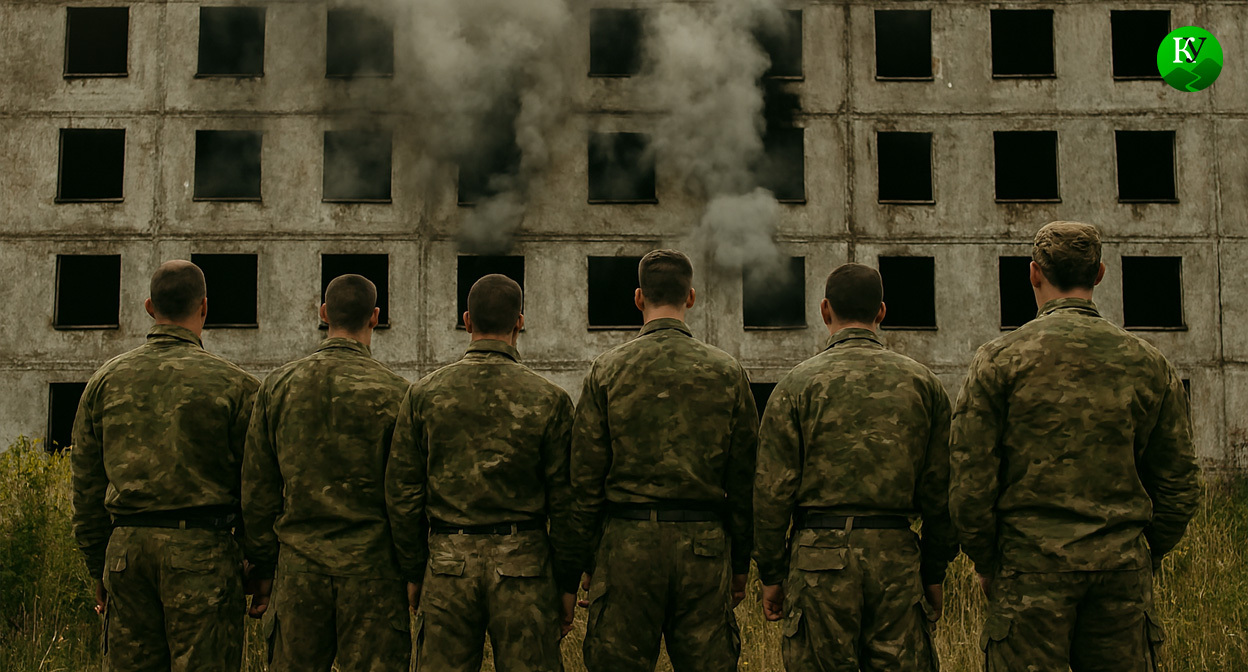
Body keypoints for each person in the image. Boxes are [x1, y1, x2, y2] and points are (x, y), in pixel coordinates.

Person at [950, 221, 1202, 671]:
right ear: (1100, 274)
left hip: (1028, 571)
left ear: (1033, 274)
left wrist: (989, 562)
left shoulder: (999, 361)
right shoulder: (1147, 363)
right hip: (1120, 570)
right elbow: (1179, 482)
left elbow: (970, 483)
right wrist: (1145, 552)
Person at [754, 262, 956, 670]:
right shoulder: (924, 384)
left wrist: (772, 574)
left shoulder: (795, 386)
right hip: (897, 560)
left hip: (817, 562)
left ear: (825, 310)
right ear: (881, 312)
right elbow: (943, 492)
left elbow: (771, 493)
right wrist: (933, 571)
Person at [569, 249, 758, 672]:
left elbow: (583, 481)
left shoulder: (606, 371)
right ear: (691, 297)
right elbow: (745, 479)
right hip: (704, 548)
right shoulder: (727, 372)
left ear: (639, 298)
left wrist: (583, 563)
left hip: (626, 547)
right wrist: (741, 563)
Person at [70, 260, 259, 672]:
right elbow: (257, 487)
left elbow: (85, 488)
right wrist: (259, 565)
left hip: (127, 555)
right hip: (204, 555)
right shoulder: (238, 386)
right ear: (205, 308)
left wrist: (98, 566)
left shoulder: (104, 383)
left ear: (149, 307)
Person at [386, 274, 577, 672]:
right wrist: (567, 581)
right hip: (525, 565)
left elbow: (403, 493)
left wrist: (414, 568)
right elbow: (565, 501)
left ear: (467, 320)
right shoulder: (550, 399)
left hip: (447, 564)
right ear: (519, 322)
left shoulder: (424, 395)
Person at [241, 274, 410, 671]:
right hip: (374, 575)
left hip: (299, 571)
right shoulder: (398, 393)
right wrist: (413, 570)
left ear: (323, 313)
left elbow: (258, 491)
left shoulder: (278, 388)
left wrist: (263, 568)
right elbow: (406, 497)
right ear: (376, 317)